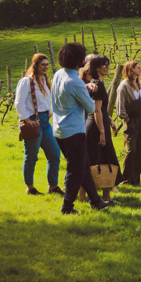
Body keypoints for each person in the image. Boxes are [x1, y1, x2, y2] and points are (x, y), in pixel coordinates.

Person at [50, 42, 110, 215]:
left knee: (83, 166)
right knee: (75, 170)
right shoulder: (75, 81)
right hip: (74, 132)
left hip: (59, 130)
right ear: (78, 60)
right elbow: (91, 108)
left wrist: (85, 87)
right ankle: (67, 207)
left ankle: (96, 201)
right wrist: (88, 92)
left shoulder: (59, 74)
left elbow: (68, 91)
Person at [15, 53, 63, 196]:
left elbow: (49, 99)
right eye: (43, 65)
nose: (46, 67)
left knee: (55, 154)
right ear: (35, 65)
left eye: (47, 65)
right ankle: (30, 188)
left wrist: (50, 111)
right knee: (31, 156)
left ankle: (53, 186)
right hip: (32, 121)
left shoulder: (45, 80)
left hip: (45, 122)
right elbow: (18, 102)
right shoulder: (26, 81)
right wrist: (25, 119)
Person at [83, 55, 121, 203]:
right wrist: (102, 132)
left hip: (100, 124)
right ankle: (96, 197)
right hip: (96, 127)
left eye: (108, 64)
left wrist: (109, 120)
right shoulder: (97, 83)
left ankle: (105, 196)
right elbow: (96, 110)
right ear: (97, 67)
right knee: (100, 160)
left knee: (104, 160)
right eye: (104, 65)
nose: (107, 67)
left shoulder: (98, 82)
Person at [117, 59, 141, 186]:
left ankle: (136, 179)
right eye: (138, 67)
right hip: (131, 120)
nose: (140, 69)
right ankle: (126, 179)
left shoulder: (139, 83)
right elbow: (120, 108)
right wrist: (127, 119)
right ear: (131, 70)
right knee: (132, 150)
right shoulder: (123, 86)